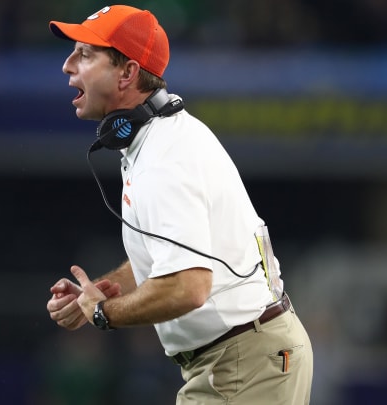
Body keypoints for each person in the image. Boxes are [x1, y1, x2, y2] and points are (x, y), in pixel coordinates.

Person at [45, 5, 313, 404]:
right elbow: (165, 267)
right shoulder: (157, 141)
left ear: (128, 73)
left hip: (243, 361)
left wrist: (104, 313)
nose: (67, 65)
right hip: (244, 357)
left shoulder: (163, 158)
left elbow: (188, 287)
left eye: (85, 54)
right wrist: (102, 293)